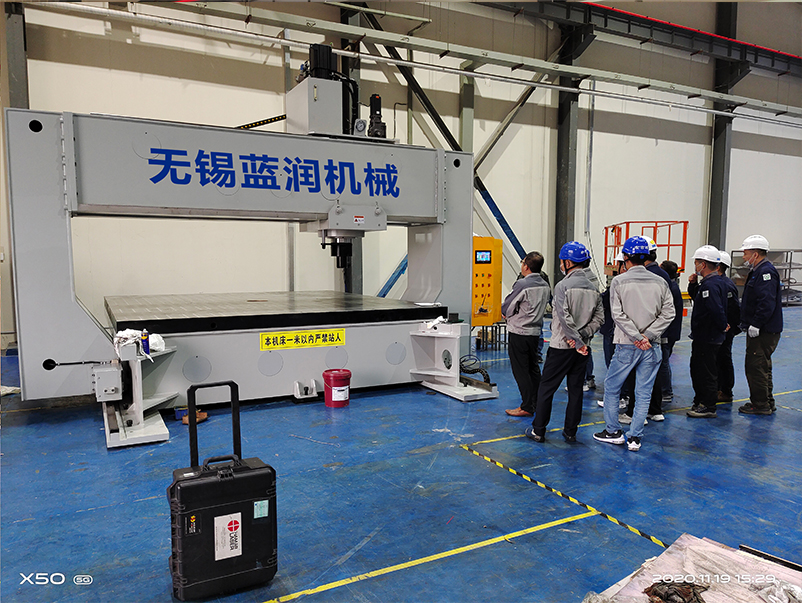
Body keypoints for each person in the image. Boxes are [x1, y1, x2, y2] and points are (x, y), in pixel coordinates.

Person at [593, 236, 675, 451]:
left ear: (626, 258)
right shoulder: (660, 281)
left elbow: (618, 315)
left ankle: (613, 432)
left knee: (612, 388)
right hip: (651, 346)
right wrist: (648, 335)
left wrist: (637, 337)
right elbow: (669, 313)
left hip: (627, 345)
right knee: (643, 392)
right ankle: (635, 438)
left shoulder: (619, 281)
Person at [525, 242, 603, 443]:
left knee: (546, 388)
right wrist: (582, 337)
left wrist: (574, 339)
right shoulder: (593, 288)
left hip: (562, 346)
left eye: (562, 261)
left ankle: (538, 430)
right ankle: (570, 431)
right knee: (576, 390)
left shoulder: (563, 286)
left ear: (568, 263)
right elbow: (599, 318)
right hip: (582, 348)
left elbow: (563, 316)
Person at [738, 235, 783, 415]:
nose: (744, 257)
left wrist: (756, 323)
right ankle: (766, 401)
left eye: (746, 253)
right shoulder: (759, 270)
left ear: (755, 254)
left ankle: (760, 404)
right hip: (763, 328)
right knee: (762, 365)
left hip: (764, 330)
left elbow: (766, 301)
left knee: (755, 366)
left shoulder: (765, 273)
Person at [502, 252, 551, 417]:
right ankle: (537, 402)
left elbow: (508, 305)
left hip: (519, 332)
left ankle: (527, 406)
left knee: (521, 371)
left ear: (526, 267)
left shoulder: (522, 284)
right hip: (535, 333)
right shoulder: (545, 285)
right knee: (533, 368)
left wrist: (505, 313)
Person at [686, 245, 729, 418]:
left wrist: (722, 324)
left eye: (696, 263)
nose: (695, 266)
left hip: (707, 336)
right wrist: (693, 285)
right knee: (701, 369)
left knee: (704, 371)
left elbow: (715, 309)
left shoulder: (709, 286)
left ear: (702, 264)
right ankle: (702, 401)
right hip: (708, 335)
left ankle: (708, 405)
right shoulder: (715, 282)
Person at [694, 251, 740, 402]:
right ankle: (718, 391)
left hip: (720, 331)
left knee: (720, 362)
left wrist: (726, 327)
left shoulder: (720, 284)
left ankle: (723, 391)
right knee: (714, 363)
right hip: (718, 330)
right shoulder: (713, 283)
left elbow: (726, 309)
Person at [659, 260, 684, 404]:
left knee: (663, 362)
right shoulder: (673, 286)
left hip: (668, 332)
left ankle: (666, 392)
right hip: (671, 332)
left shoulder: (671, 289)